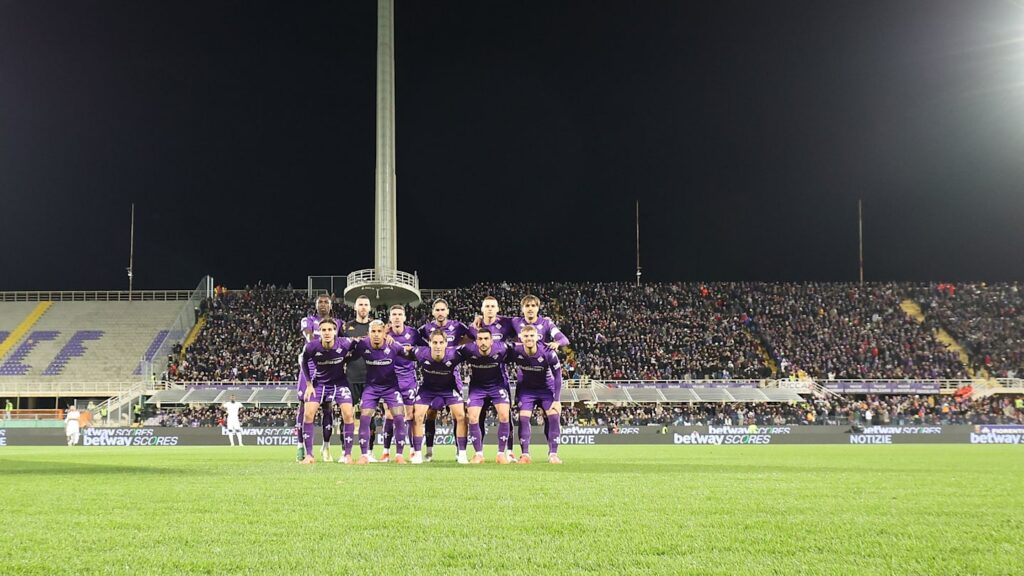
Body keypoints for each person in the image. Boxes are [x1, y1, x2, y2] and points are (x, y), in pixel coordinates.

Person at [417, 298, 473, 462]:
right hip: (433, 374)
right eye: (437, 310)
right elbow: (415, 338)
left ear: (447, 311)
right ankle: (429, 451)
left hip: (452, 374)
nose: (440, 313)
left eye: (443, 310)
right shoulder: (426, 328)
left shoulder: (457, 326)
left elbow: (471, 336)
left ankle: (459, 451)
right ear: (433, 312)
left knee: (458, 414)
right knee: (431, 412)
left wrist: (457, 348)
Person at [298, 318, 359, 464]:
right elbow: (304, 361)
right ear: (319, 332)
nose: (327, 332)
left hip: (340, 383)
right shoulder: (312, 347)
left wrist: (348, 359)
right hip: (319, 383)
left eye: (330, 330)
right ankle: (309, 455)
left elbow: (360, 345)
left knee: (349, 414)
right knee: (308, 414)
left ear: (335, 331)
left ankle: (348, 454)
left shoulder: (344, 343)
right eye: (323, 330)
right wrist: (308, 384)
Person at [405, 330, 469, 464]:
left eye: (441, 342)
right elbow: (402, 351)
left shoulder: (454, 354)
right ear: (429, 343)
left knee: (461, 416)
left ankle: (462, 453)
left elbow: (473, 350)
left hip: (448, 389)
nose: (438, 346)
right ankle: (417, 453)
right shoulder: (420, 353)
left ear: (446, 344)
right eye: (434, 342)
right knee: (417, 416)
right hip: (428, 389)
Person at [353, 320, 408, 465]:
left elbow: (409, 355)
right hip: (371, 388)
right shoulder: (362, 345)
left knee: (399, 416)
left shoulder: (393, 345)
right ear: (369, 333)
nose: (376, 335)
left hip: (391, 387)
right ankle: (364, 455)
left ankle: (399, 455)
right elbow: (350, 356)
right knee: (364, 417)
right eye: (373, 331)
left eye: (379, 331)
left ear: (384, 333)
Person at [297, 294, 343, 462]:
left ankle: (326, 446)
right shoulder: (308, 320)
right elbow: (309, 337)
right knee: (304, 405)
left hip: (329, 367)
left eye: (326, 302)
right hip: (310, 367)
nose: (323, 305)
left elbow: (345, 341)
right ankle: (300, 446)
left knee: (328, 407)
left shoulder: (338, 324)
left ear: (331, 306)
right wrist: (326, 342)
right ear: (316, 306)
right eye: (320, 302)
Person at [457, 328, 514, 464]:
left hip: (497, 386)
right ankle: (478, 454)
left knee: (505, 415)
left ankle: (501, 453)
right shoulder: (468, 349)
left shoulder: (502, 348)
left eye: (486, 339)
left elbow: (518, 349)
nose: (483, 342)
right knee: (472, 417)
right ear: (476, 341)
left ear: (491, 341)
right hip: (477, 388)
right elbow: (451, 351)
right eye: (480, 339)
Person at [509, 325, 564, 464]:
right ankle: (525, 454)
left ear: (537, 337)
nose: (528, 339)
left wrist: (557, 400)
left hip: (546, 389)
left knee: (553, 416)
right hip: (527, 390)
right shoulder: (516, 350)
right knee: (523, 418)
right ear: (521, 338)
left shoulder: (547, 352)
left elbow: (558, 376)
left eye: (531, 336)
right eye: (526, 336)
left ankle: (553, 454)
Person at [380, 305, 423, 462]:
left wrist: (414, 349)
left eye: (399, 314)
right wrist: (383, 334)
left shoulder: (413, 333)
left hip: (408, 379)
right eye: (394, 314)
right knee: (389, 414)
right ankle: (386, 452)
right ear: (390, 318)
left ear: (405, 317)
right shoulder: (384, 333)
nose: (397, 317)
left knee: (409, 415)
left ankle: (412, 450)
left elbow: (425, 348)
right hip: (390, 378)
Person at [343, 295, 376, 459]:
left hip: (371, 377)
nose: (363, 307)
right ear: (355, 307)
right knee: (347, 414)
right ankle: (345, 451)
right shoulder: (346, 327)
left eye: (366, 305)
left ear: (370, 308)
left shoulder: (375, 327)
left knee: (370, 415)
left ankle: (368, 452)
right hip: (351, 376)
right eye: (360, 304)